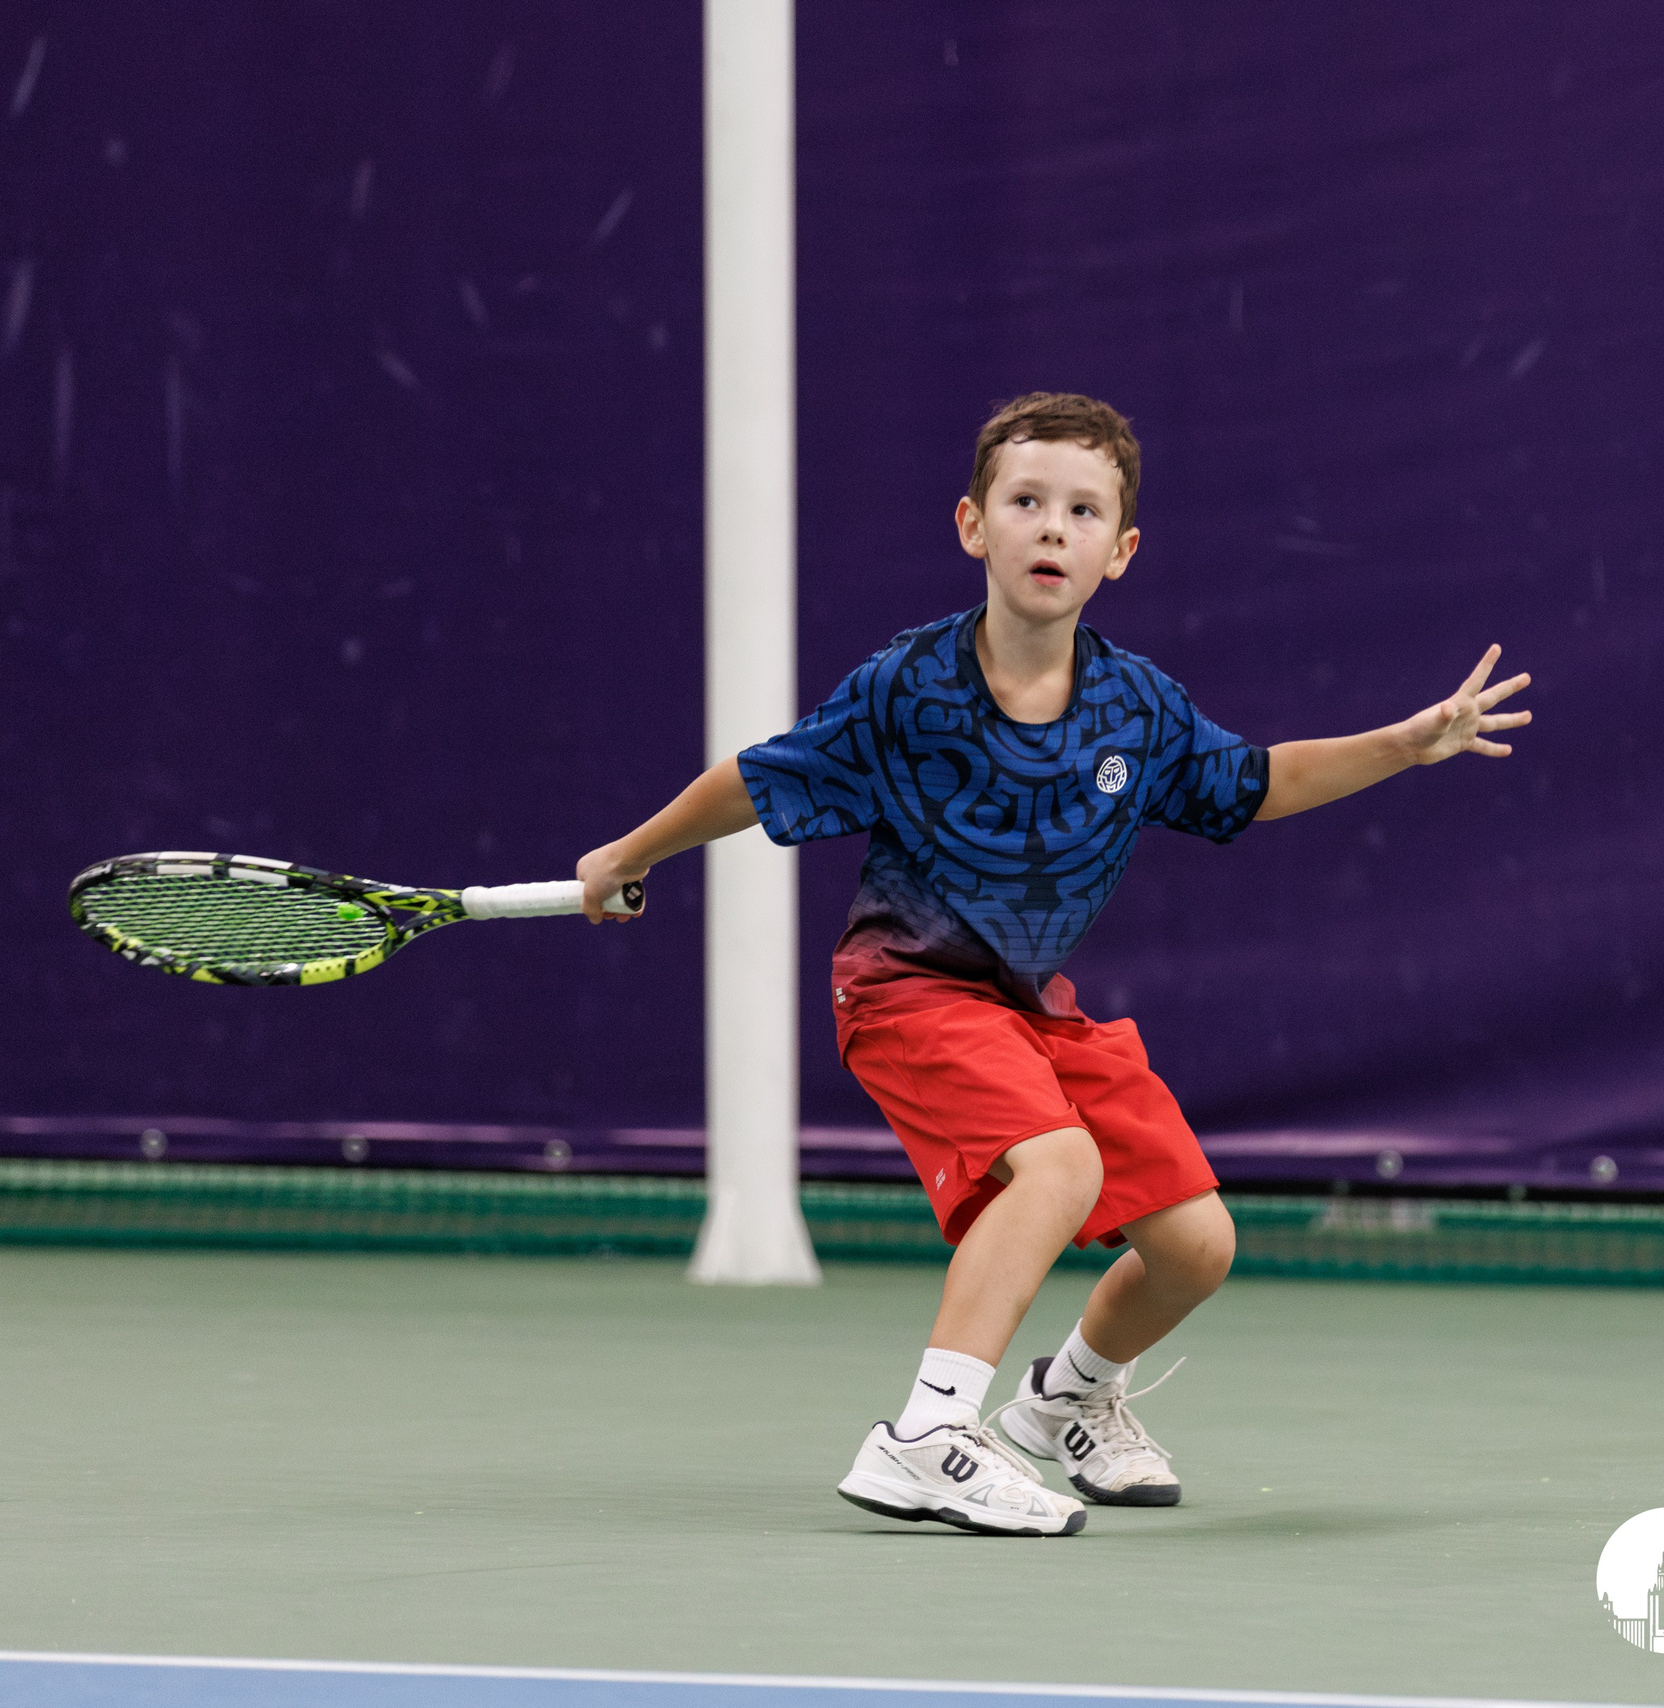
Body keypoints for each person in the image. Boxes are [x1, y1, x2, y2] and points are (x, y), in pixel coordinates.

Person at [575, 393, 1530, 1536]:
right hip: (905, 990)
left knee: (1196, 1245)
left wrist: (1404, 745)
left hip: (1032, 1007)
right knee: (1061, 1166)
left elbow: (1260, 783)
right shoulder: (905, 689)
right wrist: (630, 853)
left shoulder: (1138, 708)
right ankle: (928, 1433)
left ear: (1118, 550)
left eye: (1082, 512)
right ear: (973, 525)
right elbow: (759, 775)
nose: (1051, 528)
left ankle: (1065, 1398)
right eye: (1026, 502)